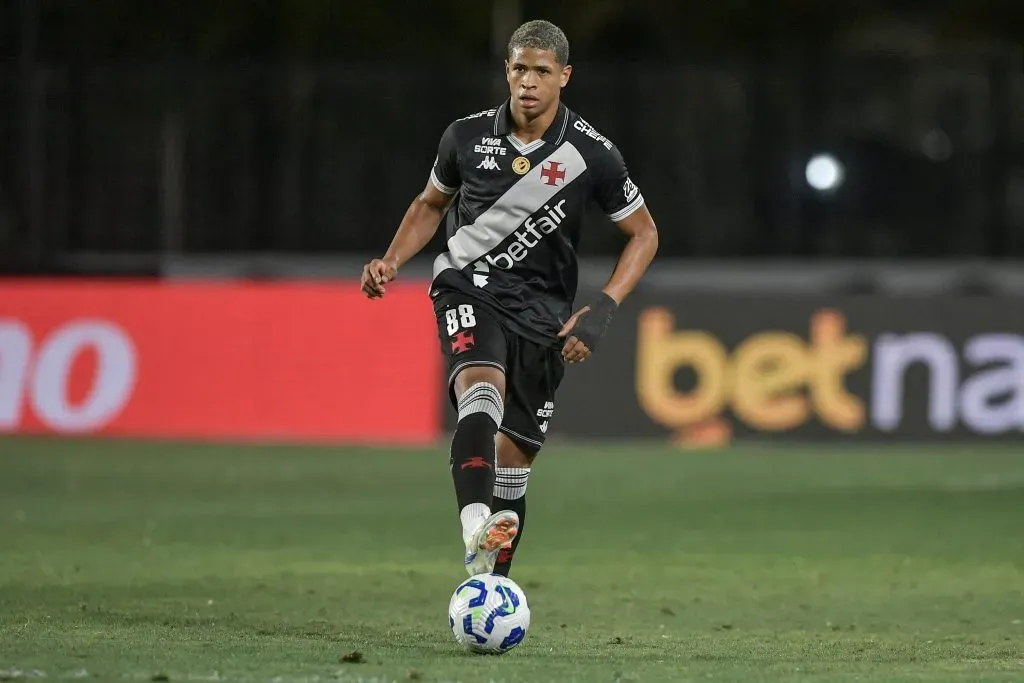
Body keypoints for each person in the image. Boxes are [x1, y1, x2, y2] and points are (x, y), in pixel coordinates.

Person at [360, 19, 659, 577]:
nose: (528, 82)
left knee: (515, 461)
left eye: (541, 71)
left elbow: (645, 233)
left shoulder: (592, 154)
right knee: (481, 389)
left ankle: (488, 585)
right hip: (467, 286)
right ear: (507, 69)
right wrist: (392, 260)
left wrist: (606, 307)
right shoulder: (465, 138)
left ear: (564, 76)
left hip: (544, 317)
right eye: (519, 68)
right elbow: (430, 205)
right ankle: (474, 521)